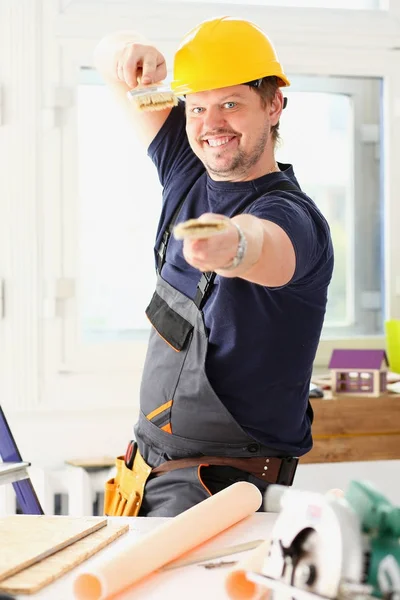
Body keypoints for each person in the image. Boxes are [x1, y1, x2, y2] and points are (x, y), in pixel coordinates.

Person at [94, 16, 334, 517]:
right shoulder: (184, 167)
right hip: (145, 475)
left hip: (223, 492)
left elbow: (267, 246)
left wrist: (233, 245)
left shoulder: (293, 216)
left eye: (231, 103)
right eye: (197, 106)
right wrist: (130, 52)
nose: (211, 123)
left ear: (274, 105)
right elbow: (111, 65)